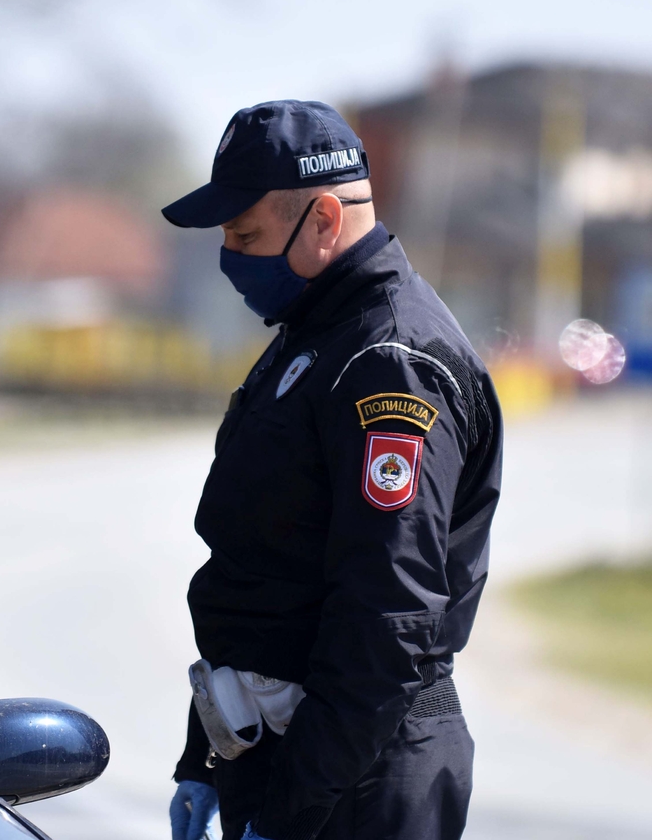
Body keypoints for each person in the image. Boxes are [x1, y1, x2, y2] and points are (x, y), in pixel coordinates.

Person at [161, 100, 503, 840]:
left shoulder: (389, 362)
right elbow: (259, 571)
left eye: (244, 234)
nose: (229, 256)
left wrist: (287, 818)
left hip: (362, 780)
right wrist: (207, 755)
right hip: (294, 762)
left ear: (321, 219)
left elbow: (386, 623)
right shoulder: (313, 338)